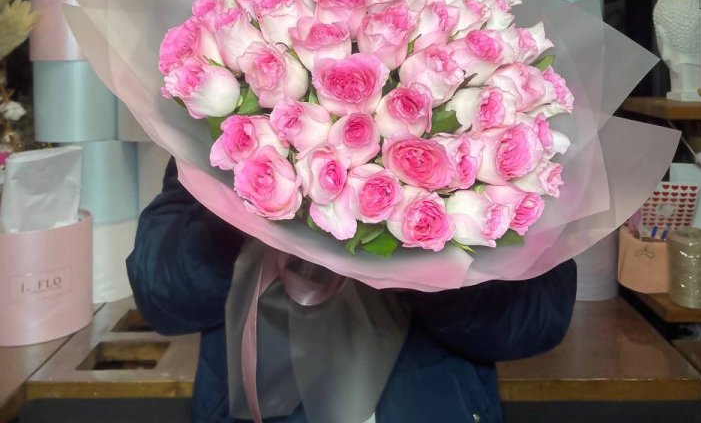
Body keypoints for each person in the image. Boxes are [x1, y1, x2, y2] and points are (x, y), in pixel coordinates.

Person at [127, 159, 577, 423]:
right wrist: (239, 206)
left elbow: (539, 318)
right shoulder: (222, 138)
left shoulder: (484, 127)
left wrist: (421, 240)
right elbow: (162, 296)